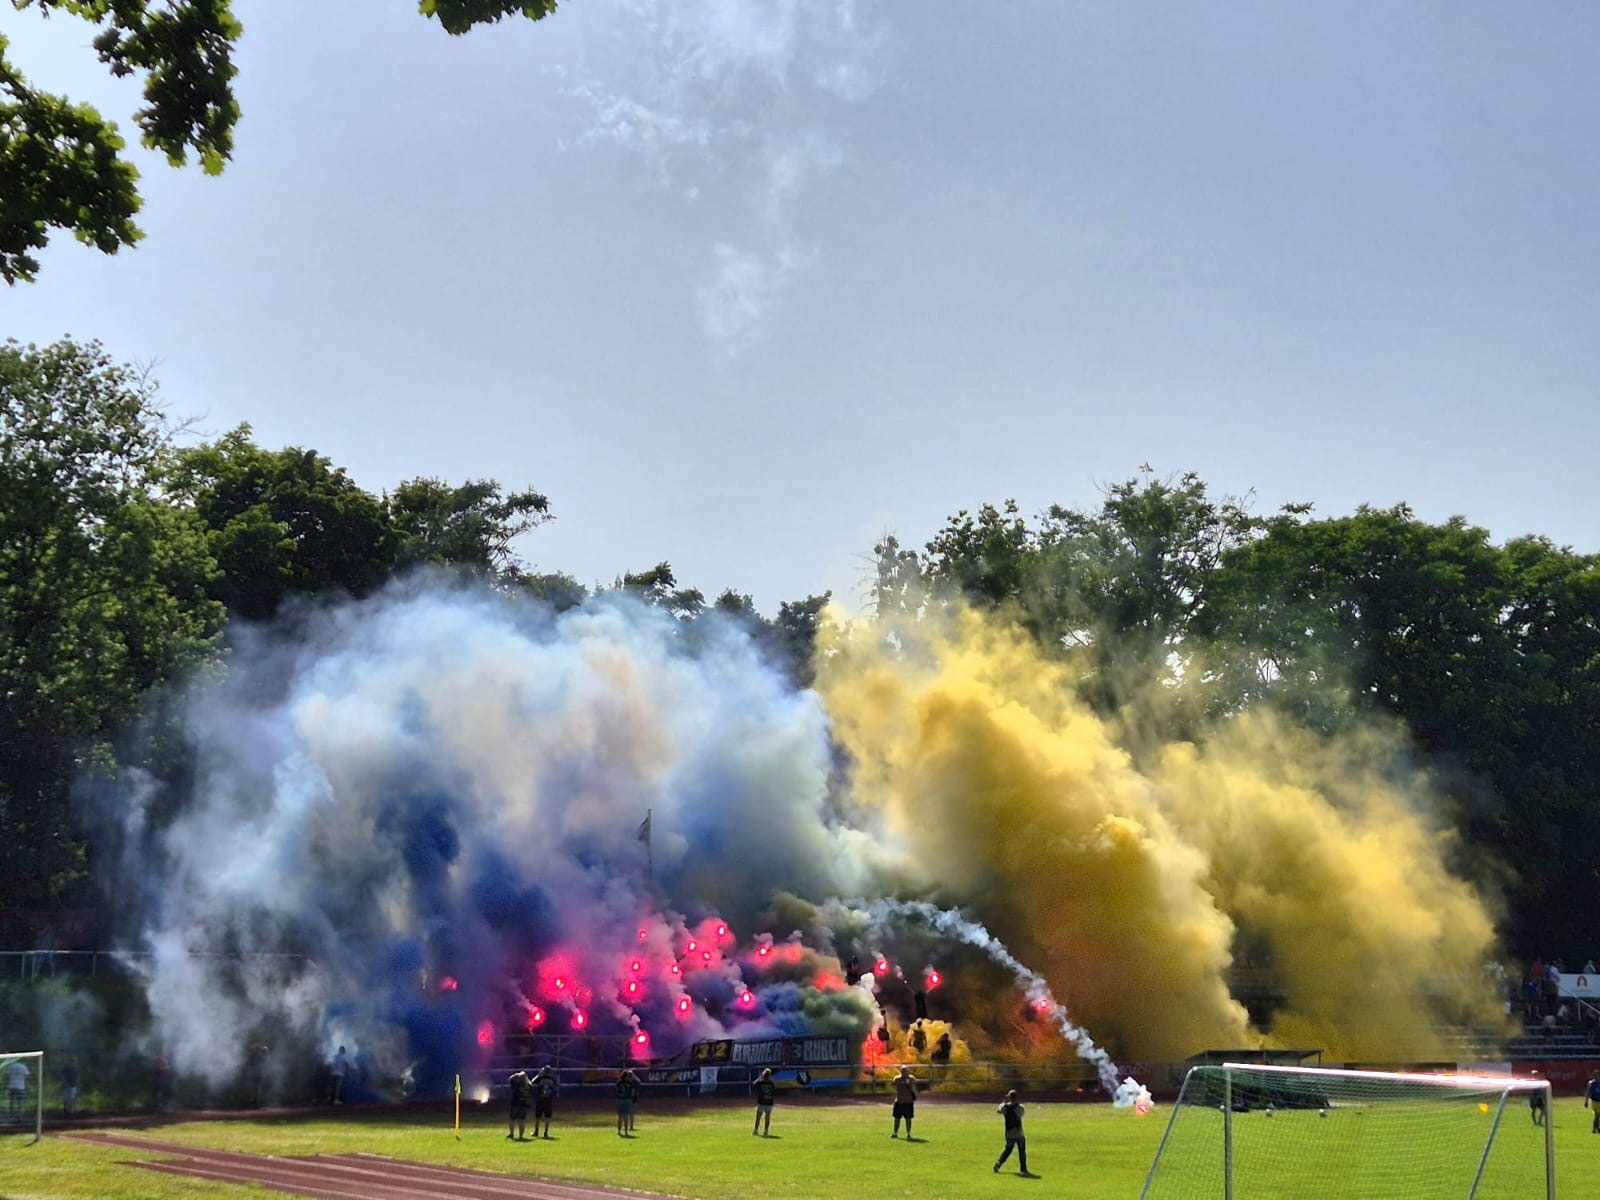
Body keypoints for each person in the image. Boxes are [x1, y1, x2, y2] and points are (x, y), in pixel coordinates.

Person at [994, 1089, 1034, 1176]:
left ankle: (999, 1163)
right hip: (1019, 1133)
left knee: (1008, 1150)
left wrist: (1003, 1103)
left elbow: (999, 1110)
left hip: (1009, 1133)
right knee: (1022, 1151)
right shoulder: (1020, 1108)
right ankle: (1023, 1169)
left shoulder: (1005, 1107)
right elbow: (1020, 1114)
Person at [890, 1065, 919, 1139]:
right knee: (897, 1118)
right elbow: (894, 1083)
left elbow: (913, 1086)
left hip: (908, 1102)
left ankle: (908, 1133)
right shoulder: (897, 1079)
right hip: (899, 1101)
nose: (904, 1073)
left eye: (905, 1071)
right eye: (902, 1071)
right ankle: (895, 1132)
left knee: (908, 1119)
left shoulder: (911, 1079)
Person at [506, 1068, 532, 1140]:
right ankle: (521, 1135)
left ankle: (511, 1134)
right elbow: (530, 1084)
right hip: (524, 1104)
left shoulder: (516, 1084)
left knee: (512, 1119)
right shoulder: (528, 1086)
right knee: (522, 1120)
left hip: (515, 1103)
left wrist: (516, 1075)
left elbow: (509, 1079)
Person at [533, 1066, 556, 1139]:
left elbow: (532, 1082)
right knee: (547, 1117)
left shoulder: (540, 1078)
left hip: (540, 1099)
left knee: (538, 1117)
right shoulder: (553, 1079)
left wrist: (539, 1075)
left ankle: (536, 1131)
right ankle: (546, 1132)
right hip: (548, 1100)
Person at [752, 1067, 776, 1136]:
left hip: (761, 1102)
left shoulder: (760, 1083)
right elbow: (773, 1090)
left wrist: (760, 1077)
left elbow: (754, 1083)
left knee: (758, 1117)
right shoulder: (771, 1083)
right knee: (767, 1117)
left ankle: (756, 1130)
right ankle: (766, 1131)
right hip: (769, 1102)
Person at [616, 1067, 640, 1137]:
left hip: (620, 1099)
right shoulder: (630, 1083)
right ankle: (626, 1131)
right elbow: (634, 1089)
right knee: (626, 1116)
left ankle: (619, 1131)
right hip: (627, 1099)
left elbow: (617, 1090)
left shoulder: (619, 1082)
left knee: (620, 1116)